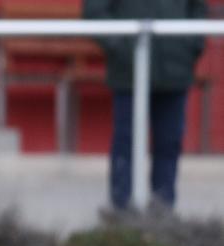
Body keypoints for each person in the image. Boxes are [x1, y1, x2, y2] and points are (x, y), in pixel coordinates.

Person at [84, 0, 207, 213]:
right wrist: (120, 46)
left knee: (169, 142)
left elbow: (197, 8)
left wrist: (191, 44)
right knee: (126, 141)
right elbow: (95, 11)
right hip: (128, 70)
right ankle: (121, 208)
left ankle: (163, 208)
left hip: (175, 69)